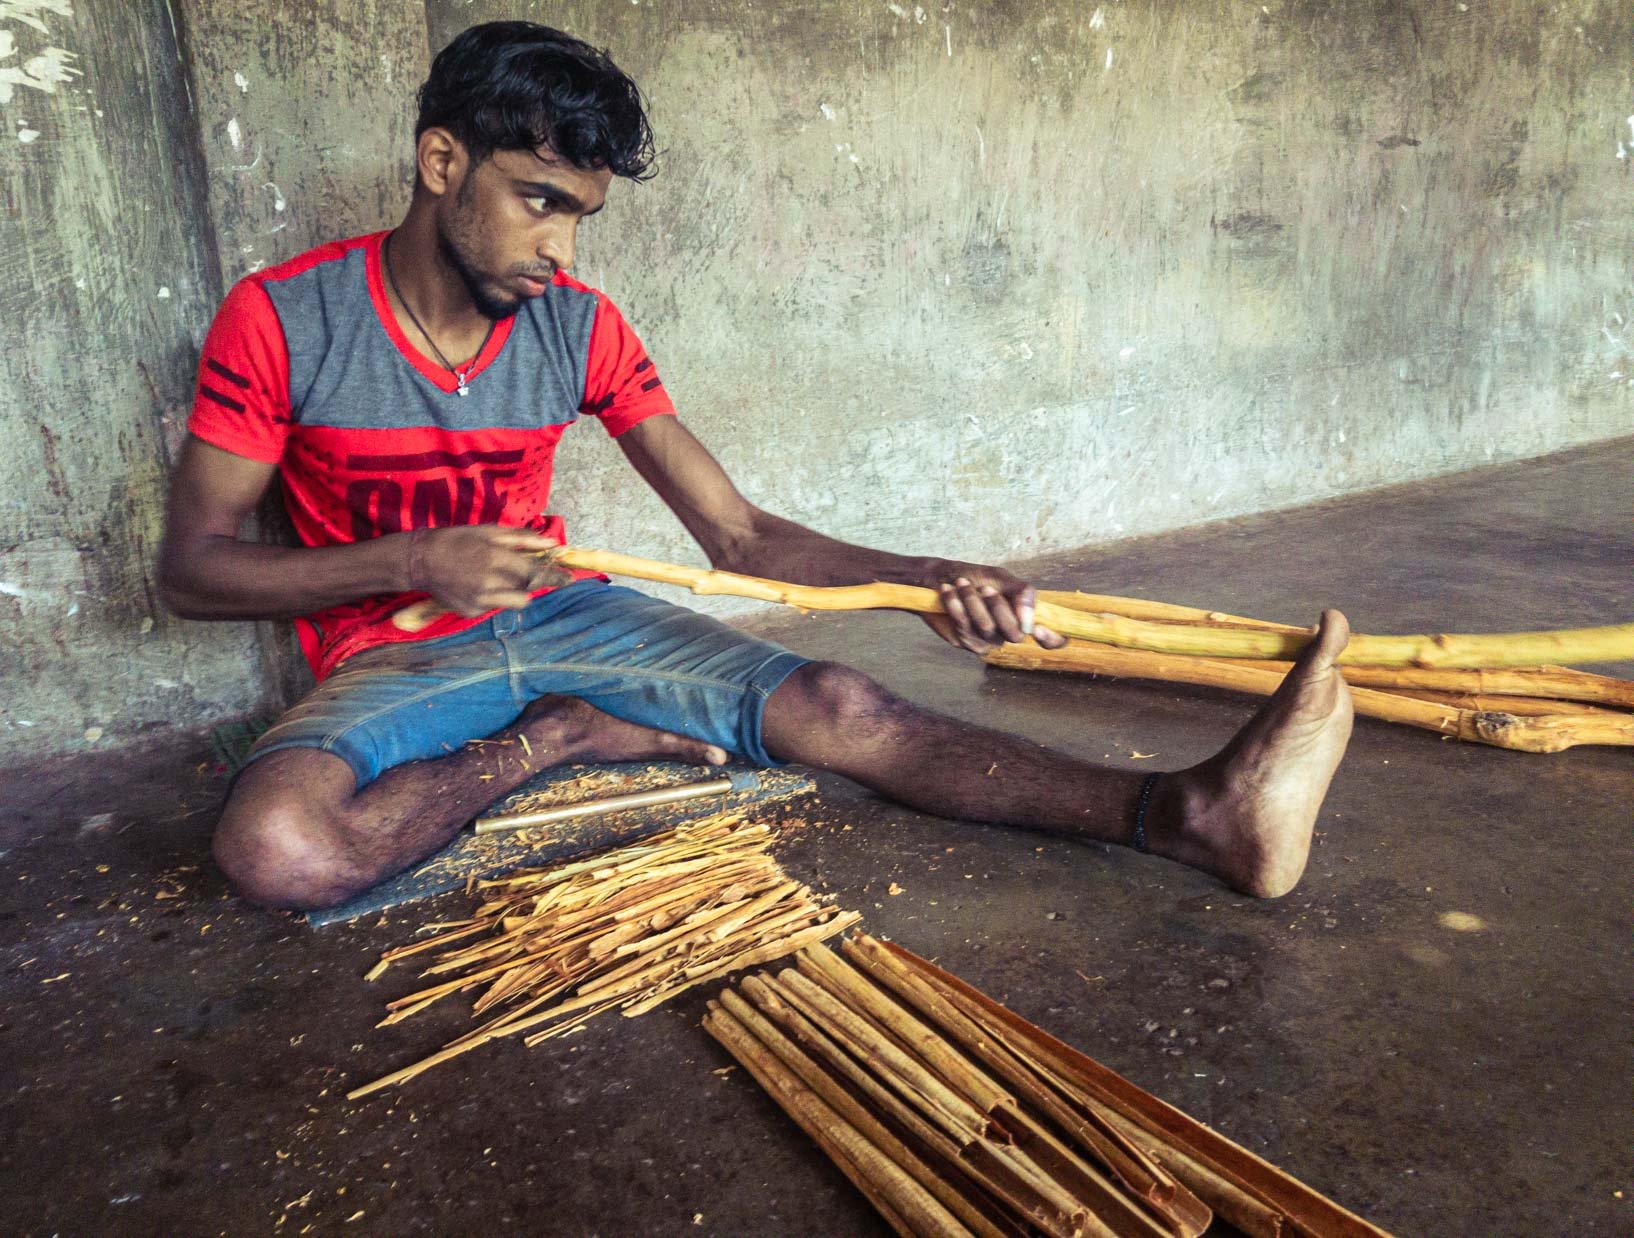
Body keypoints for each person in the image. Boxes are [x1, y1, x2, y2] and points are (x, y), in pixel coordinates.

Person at [157, 21, 1353, 912]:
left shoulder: (579, 325)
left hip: (566, 614)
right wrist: (417, 559)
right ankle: (565, 737)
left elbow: (739, 539)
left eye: (579, 214)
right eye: (537, 202)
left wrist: (929, 574)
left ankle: (1189, 814)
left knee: (840, 702)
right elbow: (194, 571)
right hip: (393, 649)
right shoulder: (285, 319)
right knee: (279, 850)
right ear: (438, 163)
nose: (558, 247)